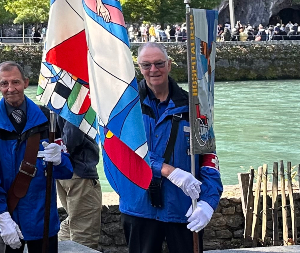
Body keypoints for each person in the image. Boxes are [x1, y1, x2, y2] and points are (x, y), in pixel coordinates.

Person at [117, 43, 222, 253]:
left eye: (159, 63)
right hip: (139, 207)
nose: (153, 70)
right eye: (146, 65)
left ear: (169, 65)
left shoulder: (194, 106)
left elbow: (209, 158)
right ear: (139, 67)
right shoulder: (126, 107)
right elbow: (122, 153)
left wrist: (208, 202)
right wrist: (167, 170)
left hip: (184, 208)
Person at [0, 62, 74, 253]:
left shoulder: (49, 119)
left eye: (15, 82)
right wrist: (1, 215)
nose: (10, 88)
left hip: (42, 218)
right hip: (6, 218)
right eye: (4, 83)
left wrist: (60, 160)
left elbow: (66, 172)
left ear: (26, 82)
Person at [56, 118, 101, 249]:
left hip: (65, 171)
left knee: (73, 222)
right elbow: (72, 136)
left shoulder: (54, 105)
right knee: (85, 237)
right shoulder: (74, 104)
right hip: (79, 171)